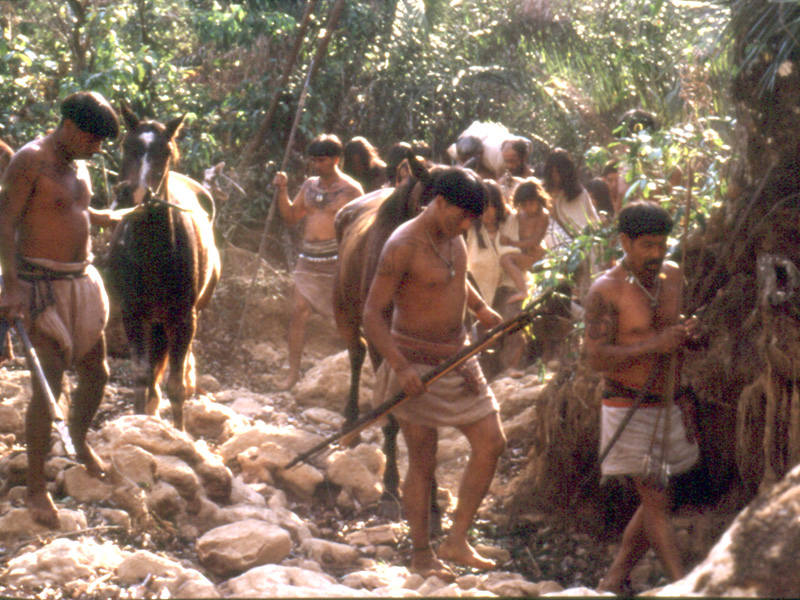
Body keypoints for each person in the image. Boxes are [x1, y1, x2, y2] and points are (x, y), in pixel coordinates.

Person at [363, 168, 506, 581]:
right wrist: (400, 366)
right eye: (462, 217)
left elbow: (454, 276)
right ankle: (422, 554)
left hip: (459, 358)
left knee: (492, 442)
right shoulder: (403, 244)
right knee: (422, 461)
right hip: (415, 363)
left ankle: (457, 539)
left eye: (471, 221)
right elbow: (372, 314)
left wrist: (479, 309)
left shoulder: (452, 232)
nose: (466, 227)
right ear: (438, 202)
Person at [0, 91, 125, 528]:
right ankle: (36, 489)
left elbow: (73, 209)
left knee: (98, 373)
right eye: (93, 140)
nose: (98, 149)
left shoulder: (78, 163)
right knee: (49, 384)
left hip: (82, 281)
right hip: (39, 286)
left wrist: (105, 218)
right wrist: (10, 286)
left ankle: (78, 437)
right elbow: (6, 221)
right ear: (70, 127)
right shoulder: (31, 161)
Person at [583, 201, 701, 594]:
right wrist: (654, 345)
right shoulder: (606, 291)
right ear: (624, 242)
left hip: (668, 402)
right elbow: (595, 357)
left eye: (662, 245)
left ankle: (615, 578)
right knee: (656, 498)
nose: (656, 254)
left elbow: (676, 336)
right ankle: (684, 587)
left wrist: (688, 336)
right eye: (647, 246)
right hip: (626, 406)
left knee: (656, 500)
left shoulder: (673, 276)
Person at [273, 134, 363, 390]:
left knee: (347, 318)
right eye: (313, 160)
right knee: (298, 312)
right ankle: (292, 375)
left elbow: (361, 228)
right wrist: (282, 189)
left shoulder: (352, 190)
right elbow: (291, 216)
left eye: (322, 160)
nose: (316, 165)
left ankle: (359, 373)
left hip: (336, 261)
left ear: (336, 159)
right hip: (308, 259)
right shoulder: (309, 186)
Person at [500, 178, 551, 304]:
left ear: (539, 201)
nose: (528, 208)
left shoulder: (543, 215)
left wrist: (511, 243)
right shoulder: (518, 215)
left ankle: (523, 291)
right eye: (524, 205)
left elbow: (534, 241)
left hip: (535, 257)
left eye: (531, 204)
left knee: (506, 260)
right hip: (520, 253)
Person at [498, 137, 533, 203]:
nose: (509, 165)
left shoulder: (535, 180)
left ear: (524, 157)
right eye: (506, 161)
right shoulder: (503, 183)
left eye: (512, 161)